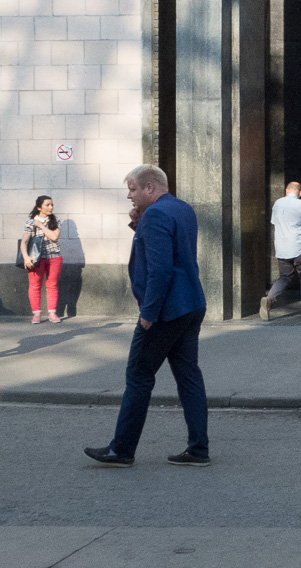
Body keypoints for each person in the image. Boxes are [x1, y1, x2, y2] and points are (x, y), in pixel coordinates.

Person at [84, 165, 210, 468]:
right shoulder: (182, 208)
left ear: (150, 188)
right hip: (191, 304)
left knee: (139, 377)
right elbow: (169, 249)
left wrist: (148, 313)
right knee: (189, 377)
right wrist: (138, 225)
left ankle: (122, 449)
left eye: (132, 189)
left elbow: (160, 269)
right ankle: (198, 450)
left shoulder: (155, 215)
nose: (129, 195)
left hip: (166, 310)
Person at [260, 182, 301, 320]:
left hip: (282, 248)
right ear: (300, 193)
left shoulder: (277, 203)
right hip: (299, 247)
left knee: (284, 277)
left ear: (286, 191)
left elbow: (274, 222)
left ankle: (269, 298)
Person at [22, 195, 62, 324]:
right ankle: (36, 314)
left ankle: (52, 313)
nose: (51, 207)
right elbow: (24, 242)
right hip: (36, 259)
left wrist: (41, 226)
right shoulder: (30, 222)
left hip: (54, 257)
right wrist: (26, 257)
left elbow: (54, 236)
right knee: (34, 286)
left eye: (52, 205)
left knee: (52, 285)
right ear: (39, 207)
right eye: (47, 205)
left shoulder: (55, 221)